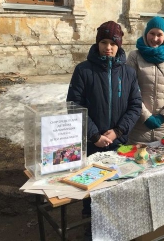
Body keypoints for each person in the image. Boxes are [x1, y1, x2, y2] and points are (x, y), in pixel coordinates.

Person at [66, 21, 142, 234]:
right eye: (104, 42)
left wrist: (118, 131)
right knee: (92, 191)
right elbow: (74, 105)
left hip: (118, 143)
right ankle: (90, 229)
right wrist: (93, 135)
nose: (108, 47)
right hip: (92, 144)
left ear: (120, 45)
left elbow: (135, 105)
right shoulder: (83, 71)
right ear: (97, 43)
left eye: (113, 43)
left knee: (116, 188)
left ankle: (115, 230)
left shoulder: (128, 73)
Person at [127, 16, 164, 143]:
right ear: (146, 33)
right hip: (139, 127)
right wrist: (146, 117)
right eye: (152, 33)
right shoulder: (134, 56)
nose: (155, 38)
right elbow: (130, 89)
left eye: (159, 34)